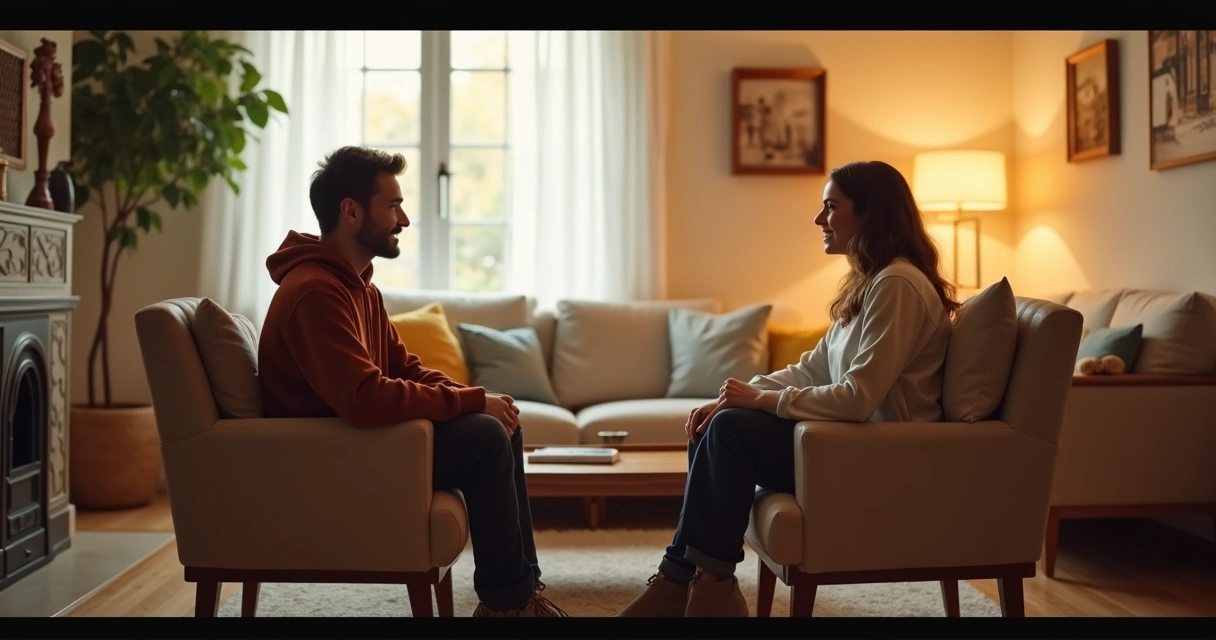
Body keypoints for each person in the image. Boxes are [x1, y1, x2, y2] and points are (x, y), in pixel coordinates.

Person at [616, 160, 961, 617]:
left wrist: (756, 400)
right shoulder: (873, 283)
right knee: (720, 422)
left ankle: (695, 584)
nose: (819, 219)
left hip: (879, 457)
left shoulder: (898, 284)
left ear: (870, 213)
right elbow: (810, 369)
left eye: (831, 207)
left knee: (732, 431)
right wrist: (729, 397)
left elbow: (858, 397)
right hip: (847, 447)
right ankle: (691, 581)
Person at [257, 146, 566, 618]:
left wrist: (477, 399)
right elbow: (363, 397)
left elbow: (402, 368)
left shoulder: (359, 287)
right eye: (393, 205)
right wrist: (469, 405)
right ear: (351, 211)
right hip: (331, 455)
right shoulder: (316, 292)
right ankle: (510, 605)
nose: (403, 219)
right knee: (484, 436)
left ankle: (517, 596)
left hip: (364, 442)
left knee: (500, 422)